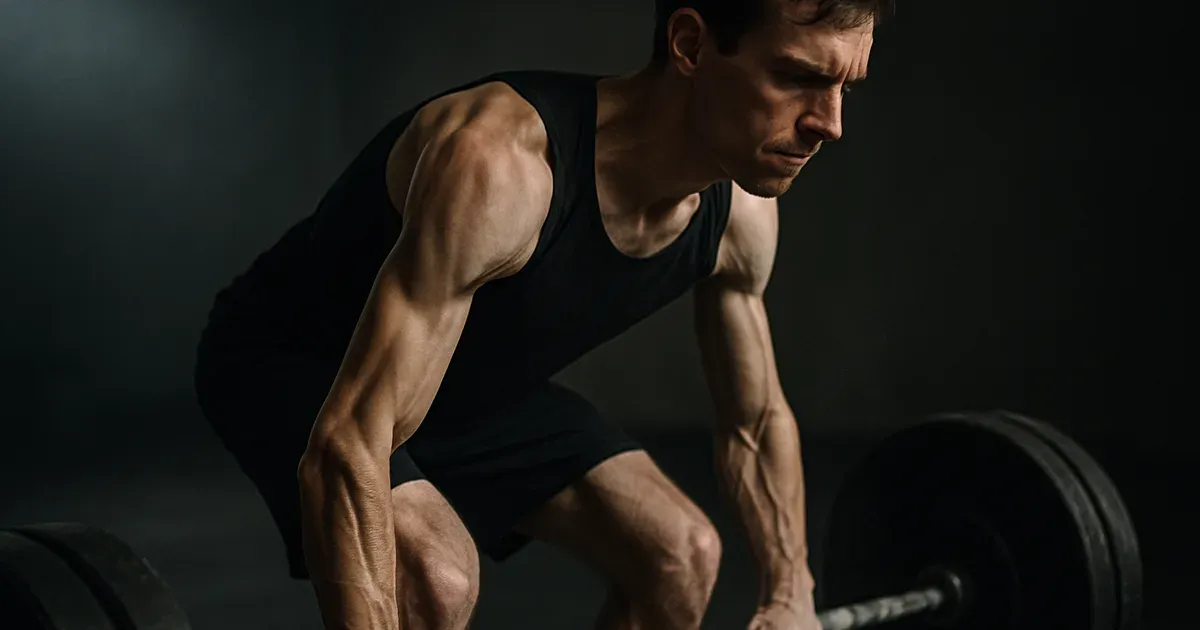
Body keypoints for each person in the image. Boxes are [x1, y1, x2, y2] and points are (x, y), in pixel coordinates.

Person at [193, 0, 885, 628]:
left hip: (470, 385)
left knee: (680, 555)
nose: (830, 124)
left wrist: (790, 591)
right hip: (301, 362)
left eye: (844, 88)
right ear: (690, 44)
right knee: (436, 580)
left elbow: (754, 422)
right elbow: (348, 441)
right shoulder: (501, 167)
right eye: (797, 77)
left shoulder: (741, 215)